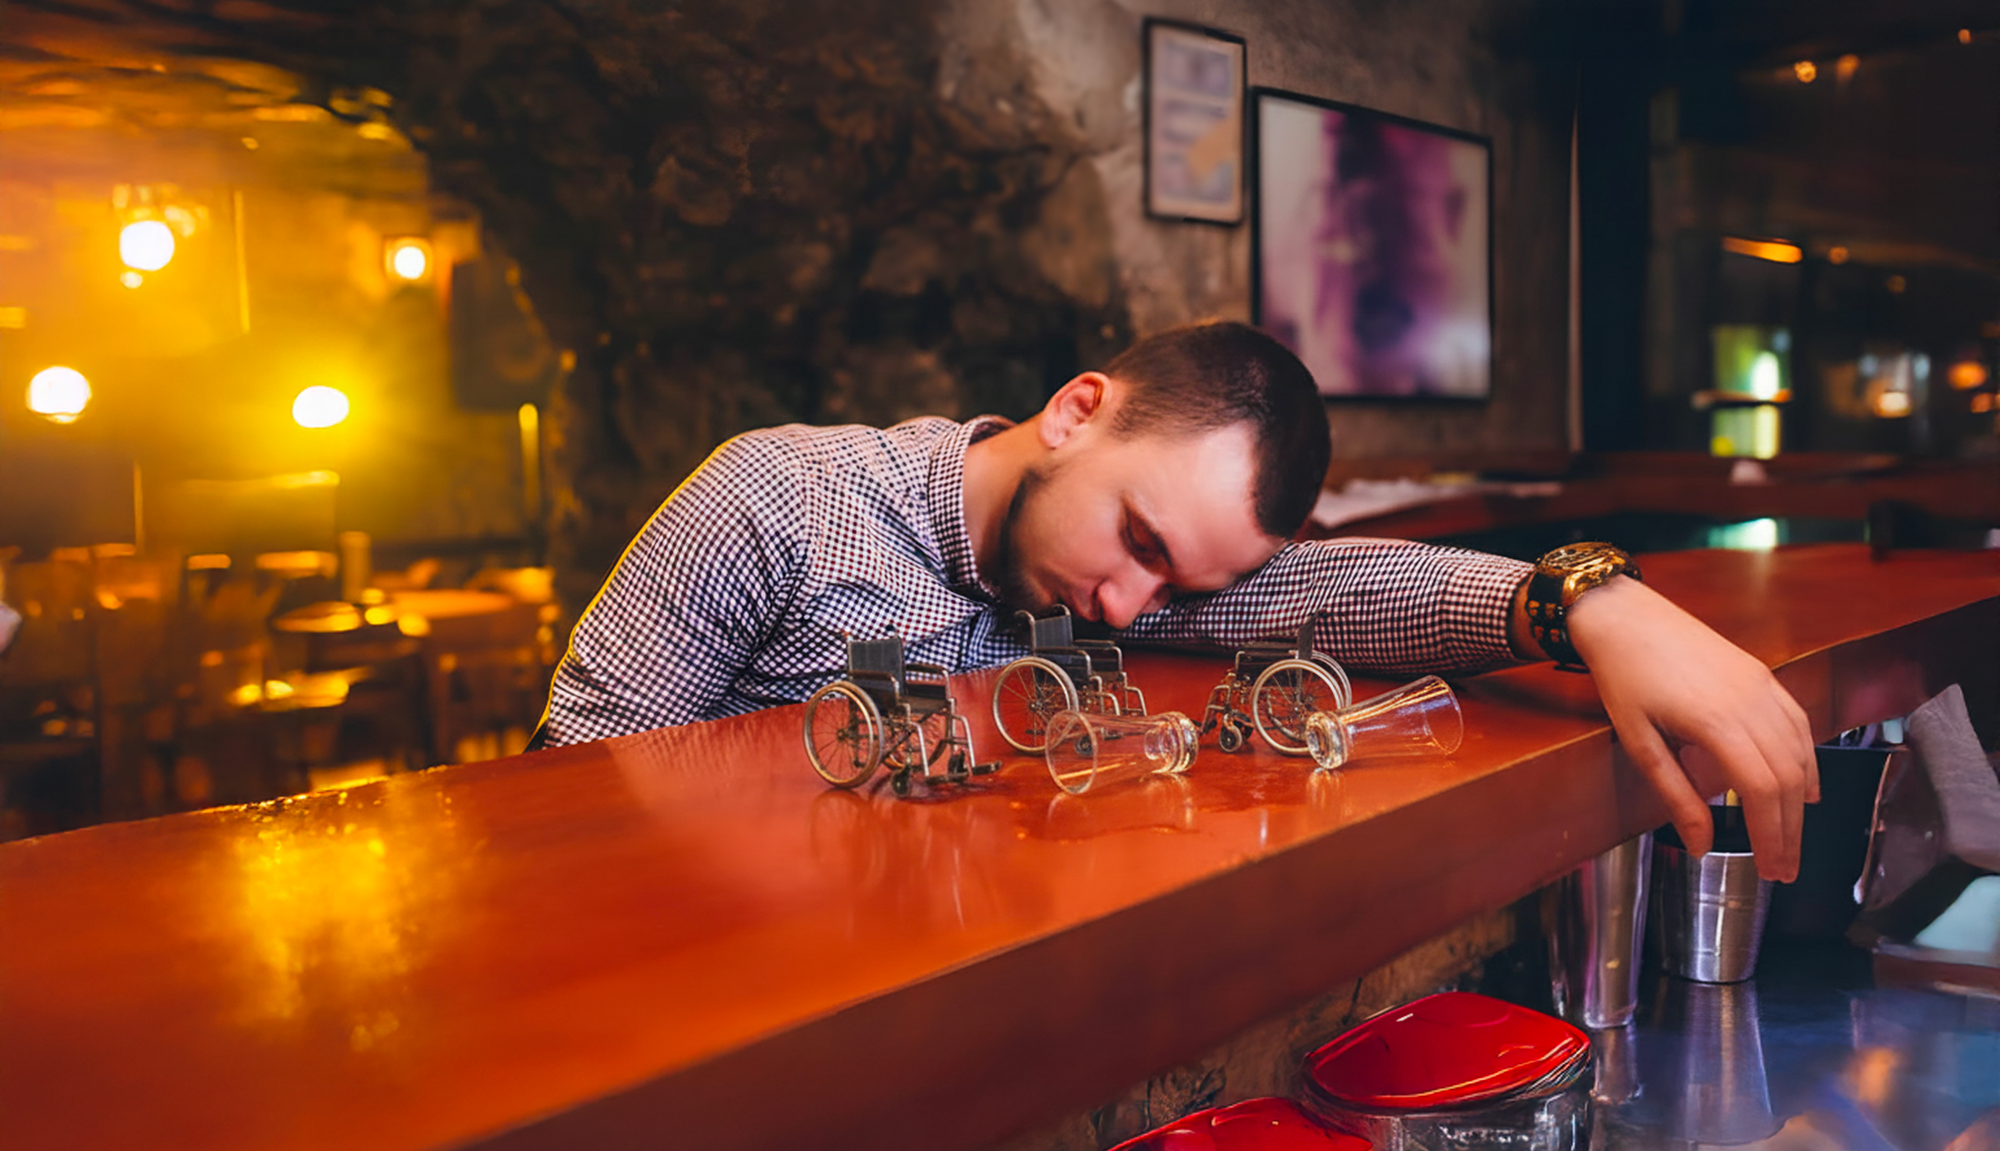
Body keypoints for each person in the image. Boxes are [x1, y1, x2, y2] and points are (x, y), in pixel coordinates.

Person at [535, 322, 1816, 881]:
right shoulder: (776, 496)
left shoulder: (1133, 589)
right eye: (1137, 536)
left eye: (1177, 584)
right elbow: (564, 800)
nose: (1123, 603)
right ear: (1075, 412)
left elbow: (1344, 591)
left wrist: (1591, 603)